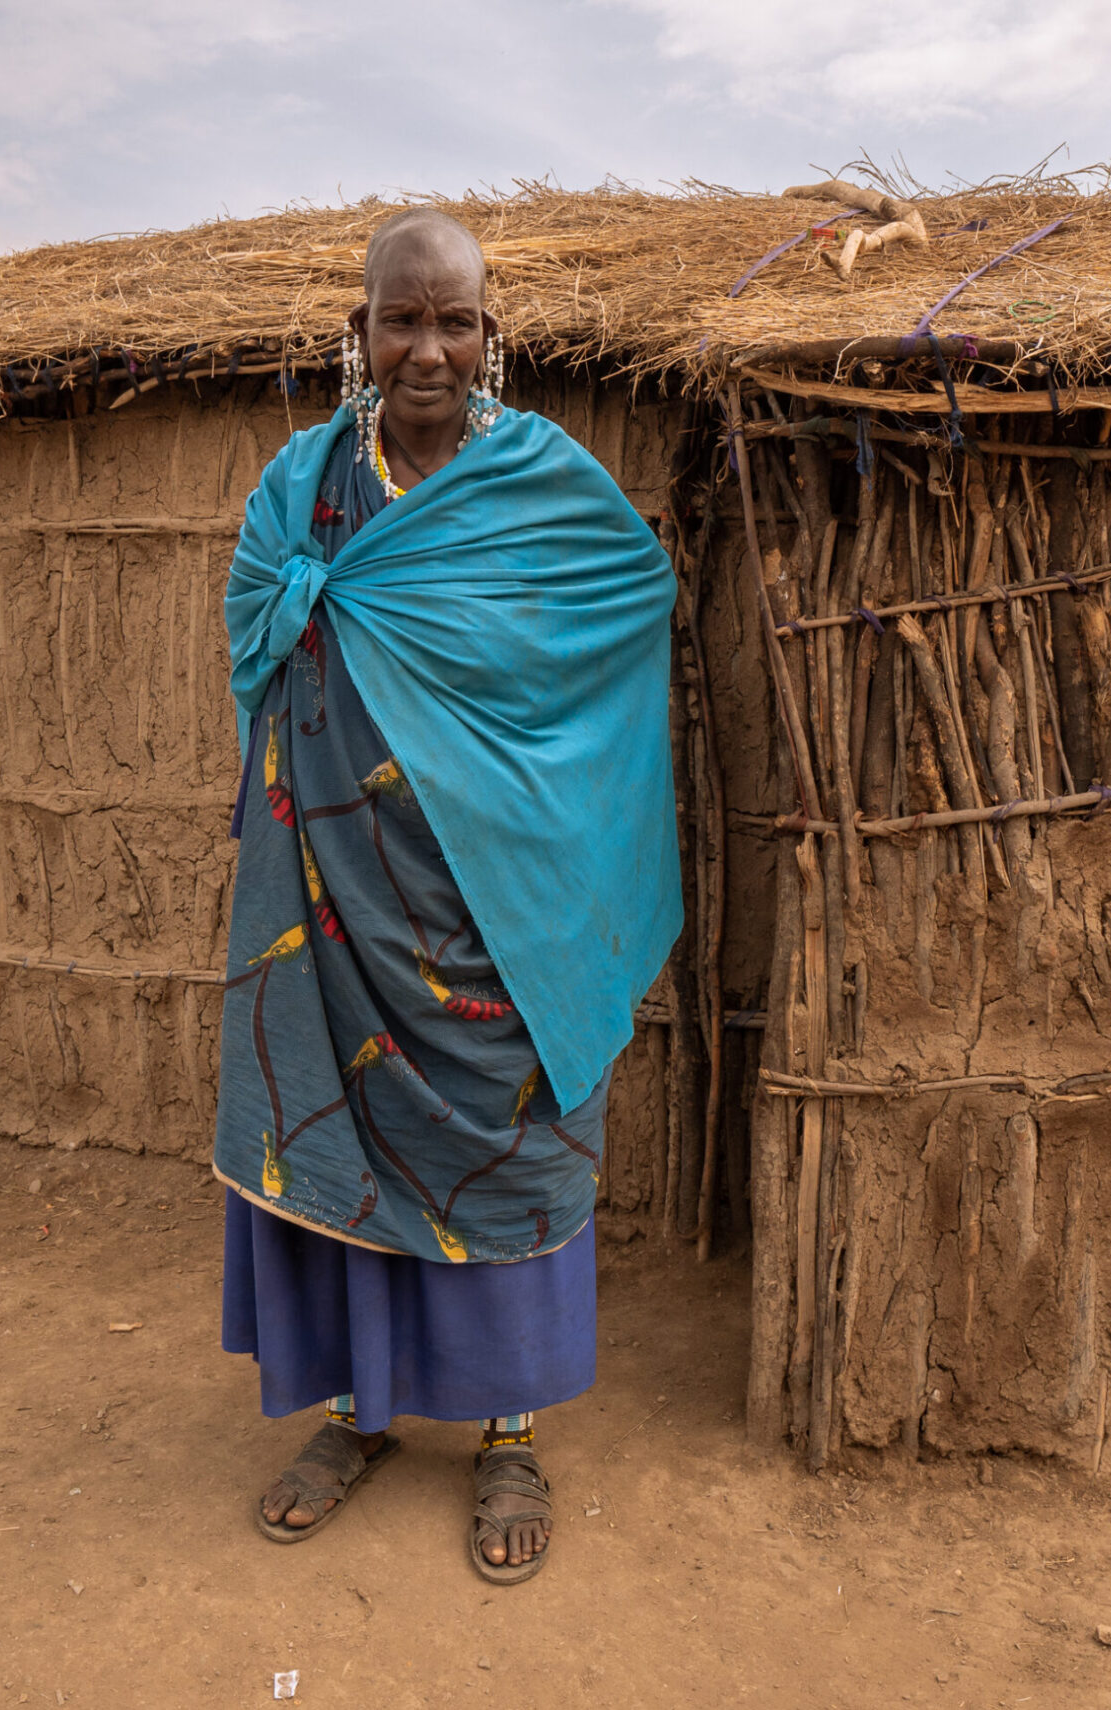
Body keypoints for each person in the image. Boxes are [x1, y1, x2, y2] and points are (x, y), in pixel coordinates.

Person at [216, 208, 680, 1583]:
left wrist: (526, 780)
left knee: (509, 1140)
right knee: (346, 1125)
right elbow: (254, 625)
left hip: (505, 905)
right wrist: (318, 602)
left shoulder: (538, 485)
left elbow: (624, 606)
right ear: (357, 332)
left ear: (492, 333)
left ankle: (507, 1428)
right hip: (336, 893)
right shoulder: (303, 491)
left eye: (455, 321)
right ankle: (357, 1408)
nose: (428, 349)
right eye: (402, 320)